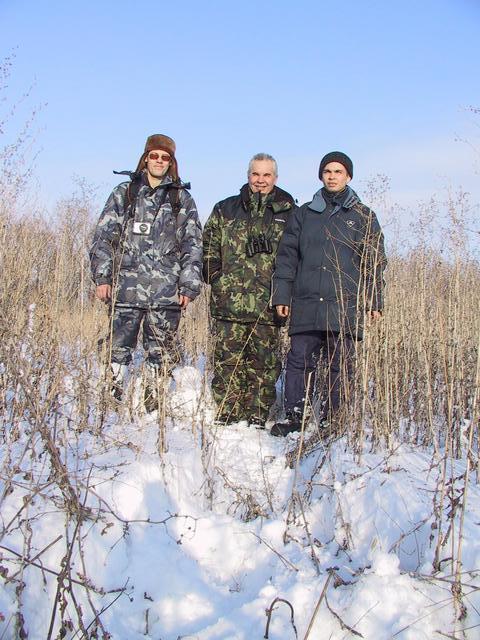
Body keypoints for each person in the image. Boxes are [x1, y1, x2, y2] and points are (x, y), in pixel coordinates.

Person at [270, 152, 386, 436]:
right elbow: (287, 258)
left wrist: (374, 300)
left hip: (343, 304)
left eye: (338, 171)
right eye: (327, 171)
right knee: (299, 360)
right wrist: (282, 296)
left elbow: (373, 262)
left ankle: (334, 418)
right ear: (321, 176)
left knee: (340, 362)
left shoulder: (363, 216)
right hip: (307, 300)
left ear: (348, 176)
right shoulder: (304, 213)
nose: (332, 176)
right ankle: (296, 415)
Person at [89, 134, 202, 409]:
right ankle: (113, 395)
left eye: (165, 157)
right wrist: (103, 278)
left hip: (166, 293)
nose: (159, 161)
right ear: (145, 158)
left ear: (171, 162)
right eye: (154, 155)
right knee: (118, 347)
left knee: (160, 351)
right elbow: (104, 238)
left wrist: (188, 286)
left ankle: (154, 399)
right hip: (126, 288)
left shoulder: (180, 198)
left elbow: (193, 244)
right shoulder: (125, 193)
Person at [203, 153, 296, 426]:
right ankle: (228, 411)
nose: (261, 180)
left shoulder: (289, 212)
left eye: (267, 175)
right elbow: (208, 246)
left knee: (264, 363)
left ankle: (257, 413)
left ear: (275, 178)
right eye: (256, 174)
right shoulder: (226, 209)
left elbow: (295, 256)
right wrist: (216, 277)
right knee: (227, 359)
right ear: (248, 176)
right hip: (228, 302)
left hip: (268, 304)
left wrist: (285, 293)